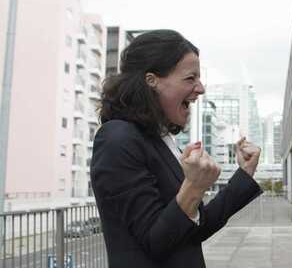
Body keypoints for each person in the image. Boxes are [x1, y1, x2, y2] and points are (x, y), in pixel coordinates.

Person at [90, 29, 262, 268]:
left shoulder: (157, 140)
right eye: (190, 78)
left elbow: (194, 230)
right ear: (152, 81)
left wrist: (243, 175)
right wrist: (194, 186)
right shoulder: (117, 139)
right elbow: (156, 242)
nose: (200, 88)